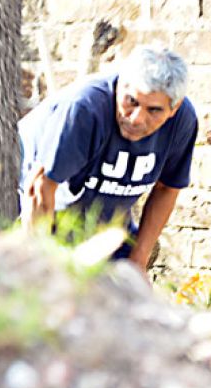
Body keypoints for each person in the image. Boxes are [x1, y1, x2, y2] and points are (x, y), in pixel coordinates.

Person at [18, 44, 198, 269]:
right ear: (121, 84)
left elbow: (166, 189)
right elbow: (39, 187)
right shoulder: (83, 109)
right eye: (131, 101)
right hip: (33, 211)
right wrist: (38, 266)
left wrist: (138, 262)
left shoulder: (183, 122)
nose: (136, 119)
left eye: (153, 110)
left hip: (100, 224)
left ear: (174, 108)